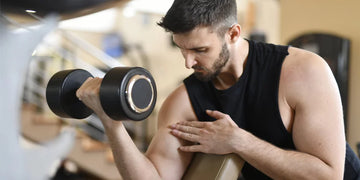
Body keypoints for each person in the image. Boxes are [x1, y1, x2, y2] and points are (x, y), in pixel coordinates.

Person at [76, 0, 360, 179]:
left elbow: (327, 176)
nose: (188, 62)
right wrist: (112, 125)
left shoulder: (303, 72)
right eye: (182, 49)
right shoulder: (183, 101)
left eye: (200, 50)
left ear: (233, 34)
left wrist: (239, 142)